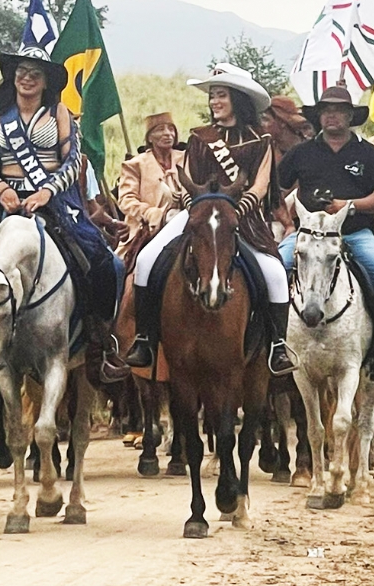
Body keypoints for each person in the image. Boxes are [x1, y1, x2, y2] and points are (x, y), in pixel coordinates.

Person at [0, 45, 129, 389]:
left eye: (35, 73)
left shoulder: (59, 112)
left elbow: (73, 160)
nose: (27, 78)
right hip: (7, 206)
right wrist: (1, 189)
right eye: (22, 72)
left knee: (106, 263)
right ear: (12, 77)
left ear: (46, 81)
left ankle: (100, 343)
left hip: (55, 204)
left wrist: (46, 192)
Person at [124, 63, 296, 376]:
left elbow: (260, 186)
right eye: (213, 96)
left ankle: (277, 346)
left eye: (221, 95)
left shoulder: (261, 141)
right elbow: (186, 180)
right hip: (198, 215)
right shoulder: (199, 138)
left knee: (274, 273)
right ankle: (145, 338)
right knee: (148, 259)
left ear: (238, 99)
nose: (214, 101)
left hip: (243, 219)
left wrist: (234, 212)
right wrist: (196, 208)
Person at [276, 85, 374, 381]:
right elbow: (276, 193)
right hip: (307, 235)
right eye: (326, 110)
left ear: (350, 116)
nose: (331, 116)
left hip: (356, 234)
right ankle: (274, 347)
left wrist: (346, 205)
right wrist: (287, 223)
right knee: (273, 272)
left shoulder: (368, 153)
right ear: (319, 116)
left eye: (338, 111)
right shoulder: (301, 153)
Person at [116, 112, 185, 265]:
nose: (167, 133)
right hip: (146, 231)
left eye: (171, 129)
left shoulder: (187, 159)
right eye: (160, 129)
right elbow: (126, 199)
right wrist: (150, 213)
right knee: (119, 268)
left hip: (184, 226)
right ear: (149, 137)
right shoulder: (135, 165)